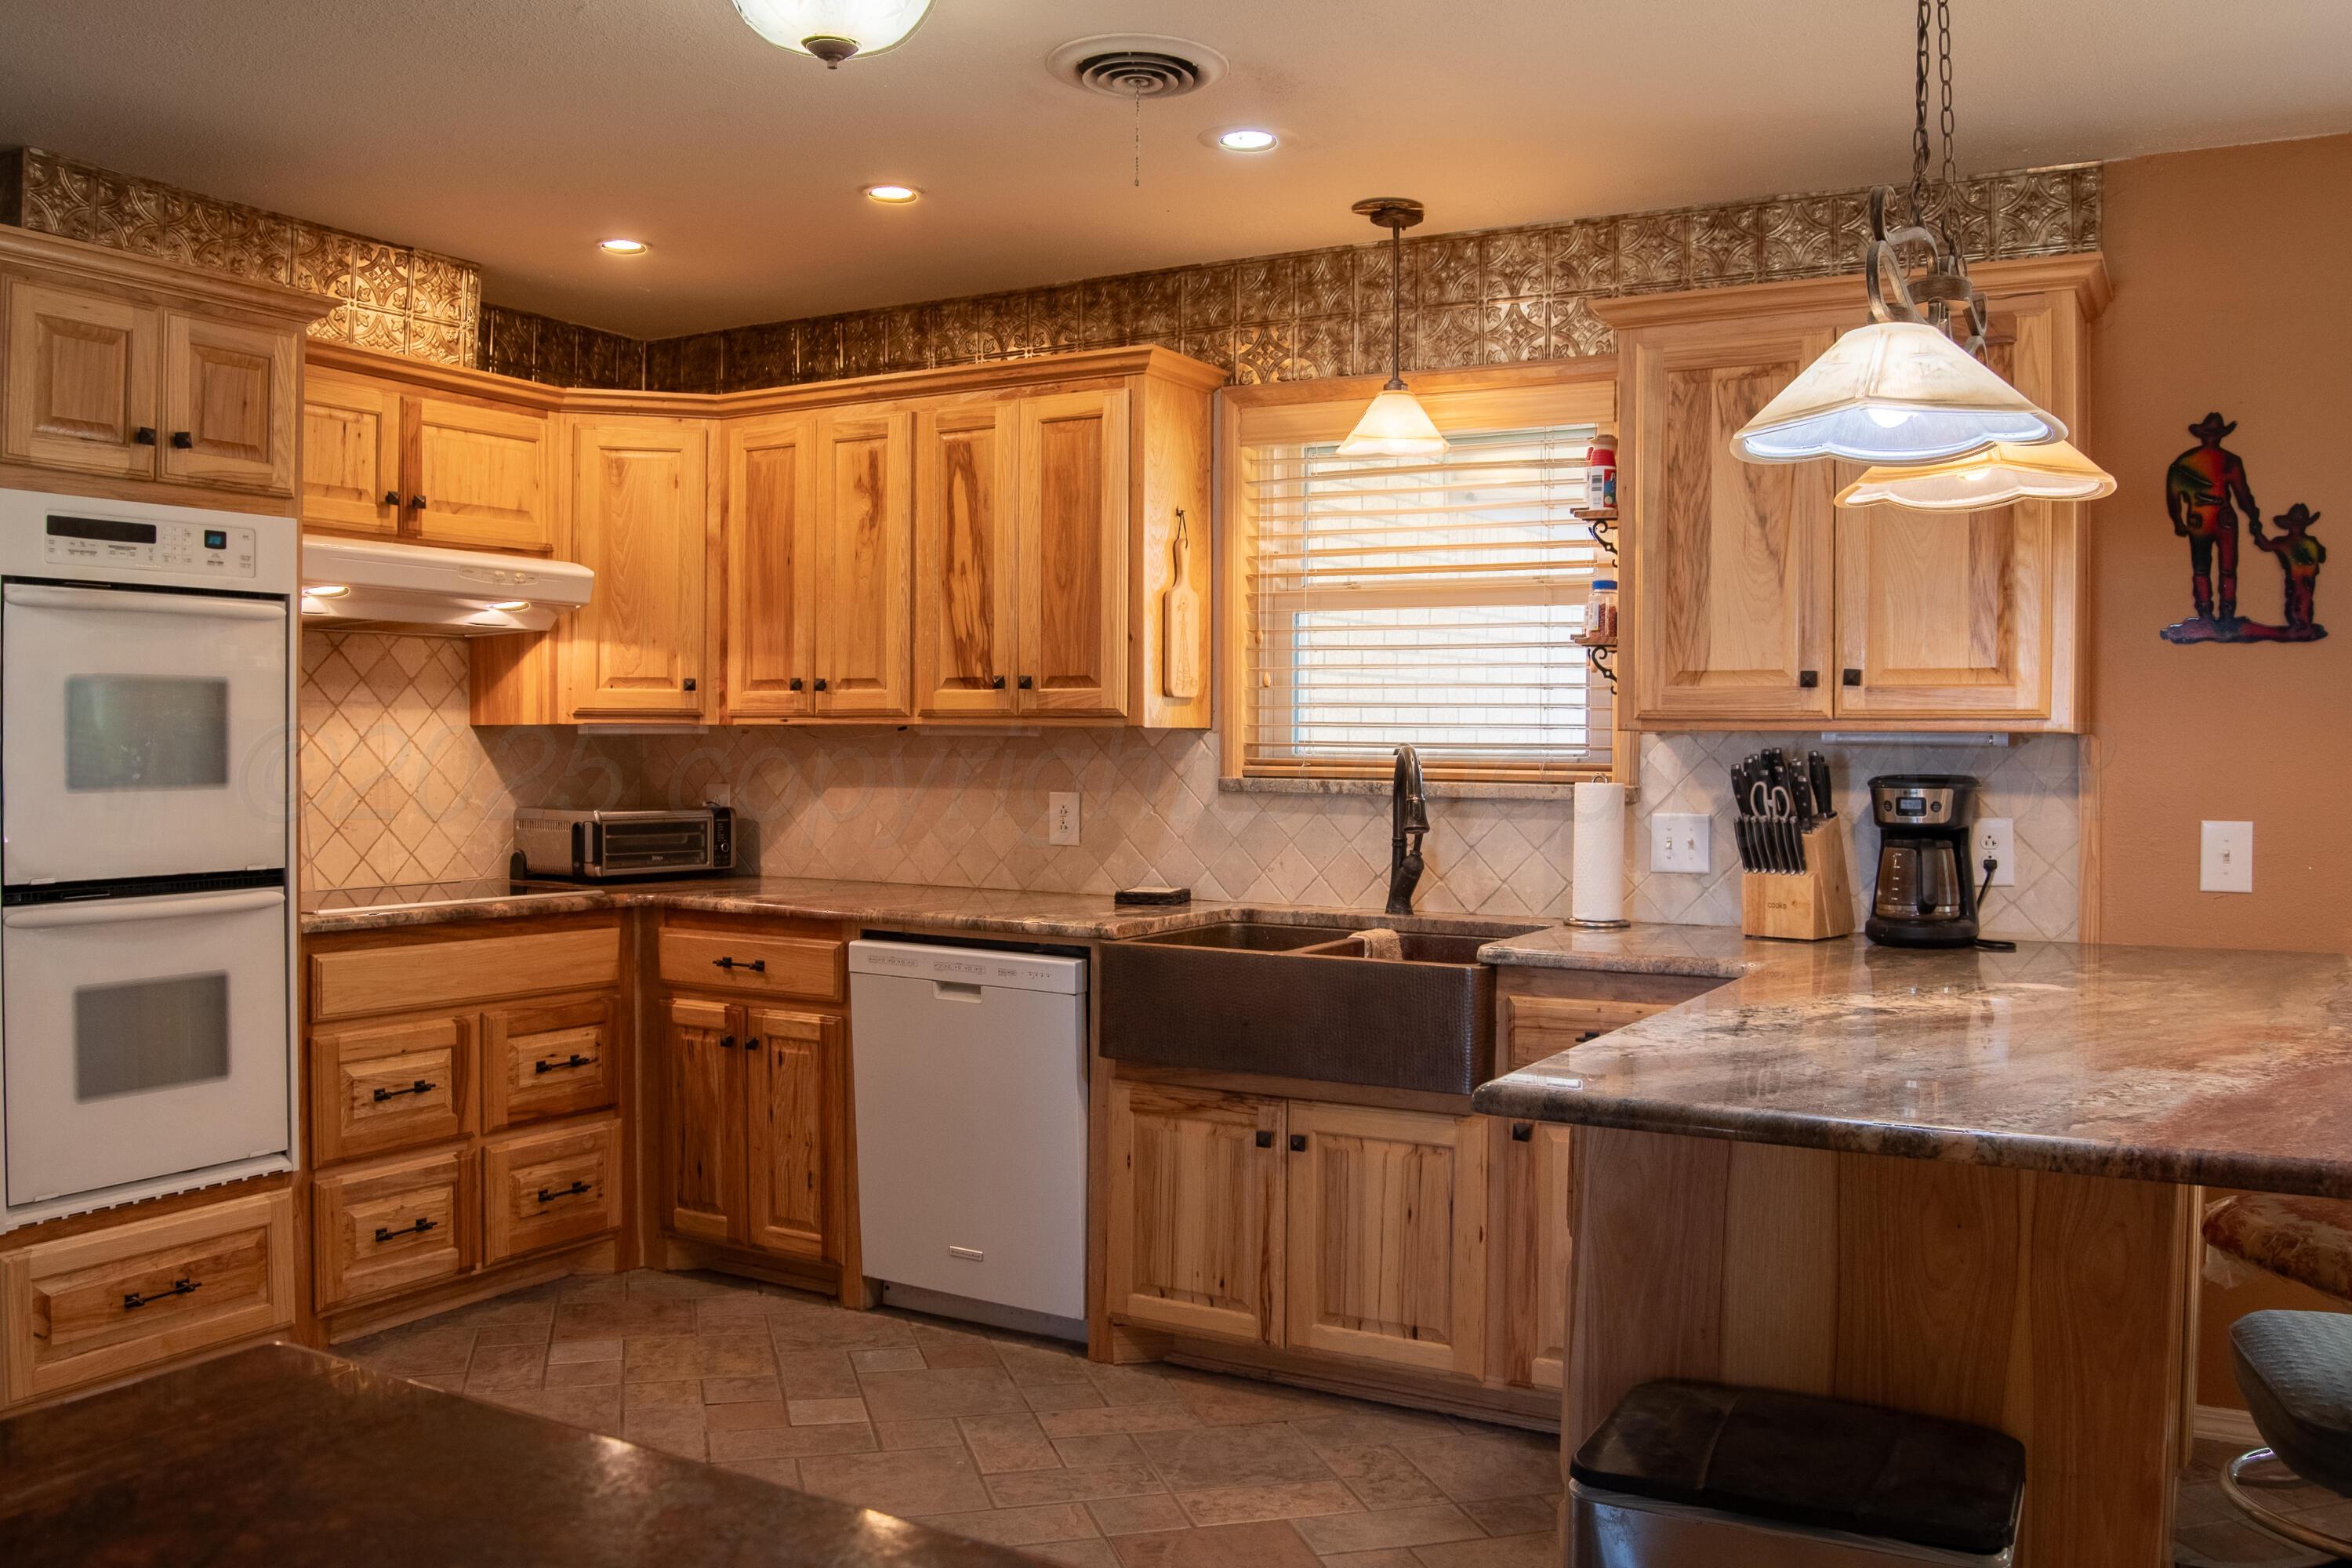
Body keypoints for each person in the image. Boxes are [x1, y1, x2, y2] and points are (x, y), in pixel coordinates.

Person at [2165, 412, 2259, 623]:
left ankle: (2206, 612)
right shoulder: (2229, 461)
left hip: (2199, 518)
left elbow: (2174, 497)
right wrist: (2253, 516)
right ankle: (2224, 613)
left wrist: (2179, 521)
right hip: (2222, 517)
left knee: (2202, 567)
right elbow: (2242, 495)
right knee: (2226, 568)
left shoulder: (2185, 462)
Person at [2251, 503, 2326, 634]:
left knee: (2298, 600)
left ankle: (2302, 625)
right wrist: (2257, 533)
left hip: (2299, 578)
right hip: (2305, 578)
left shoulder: (2286, 542)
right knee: (2302, 599)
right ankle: (2303, 624)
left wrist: (2257, 533)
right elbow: (2322, 556)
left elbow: (2266, 545)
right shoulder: (2310, 542)